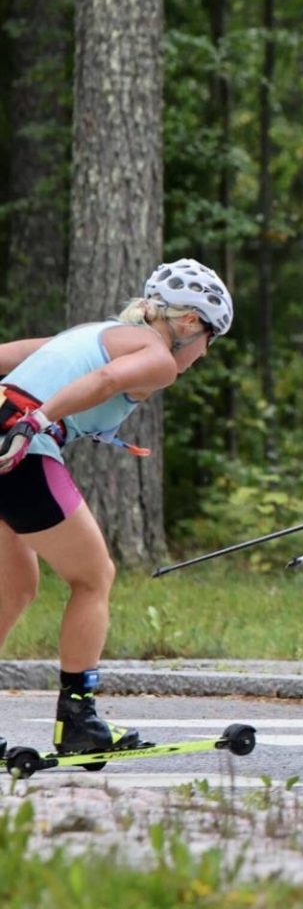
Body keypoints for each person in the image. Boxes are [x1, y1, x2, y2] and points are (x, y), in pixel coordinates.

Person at [0, 259, 233, 759]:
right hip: (18, 442)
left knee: (16, 585)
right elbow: (107, 380)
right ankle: (78, 721)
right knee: (93, 576)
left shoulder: (100, 331)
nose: (203, 353)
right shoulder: (158, 358)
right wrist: (38, 418)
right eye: (209, 340)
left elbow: (16, 355)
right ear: (190, 323)